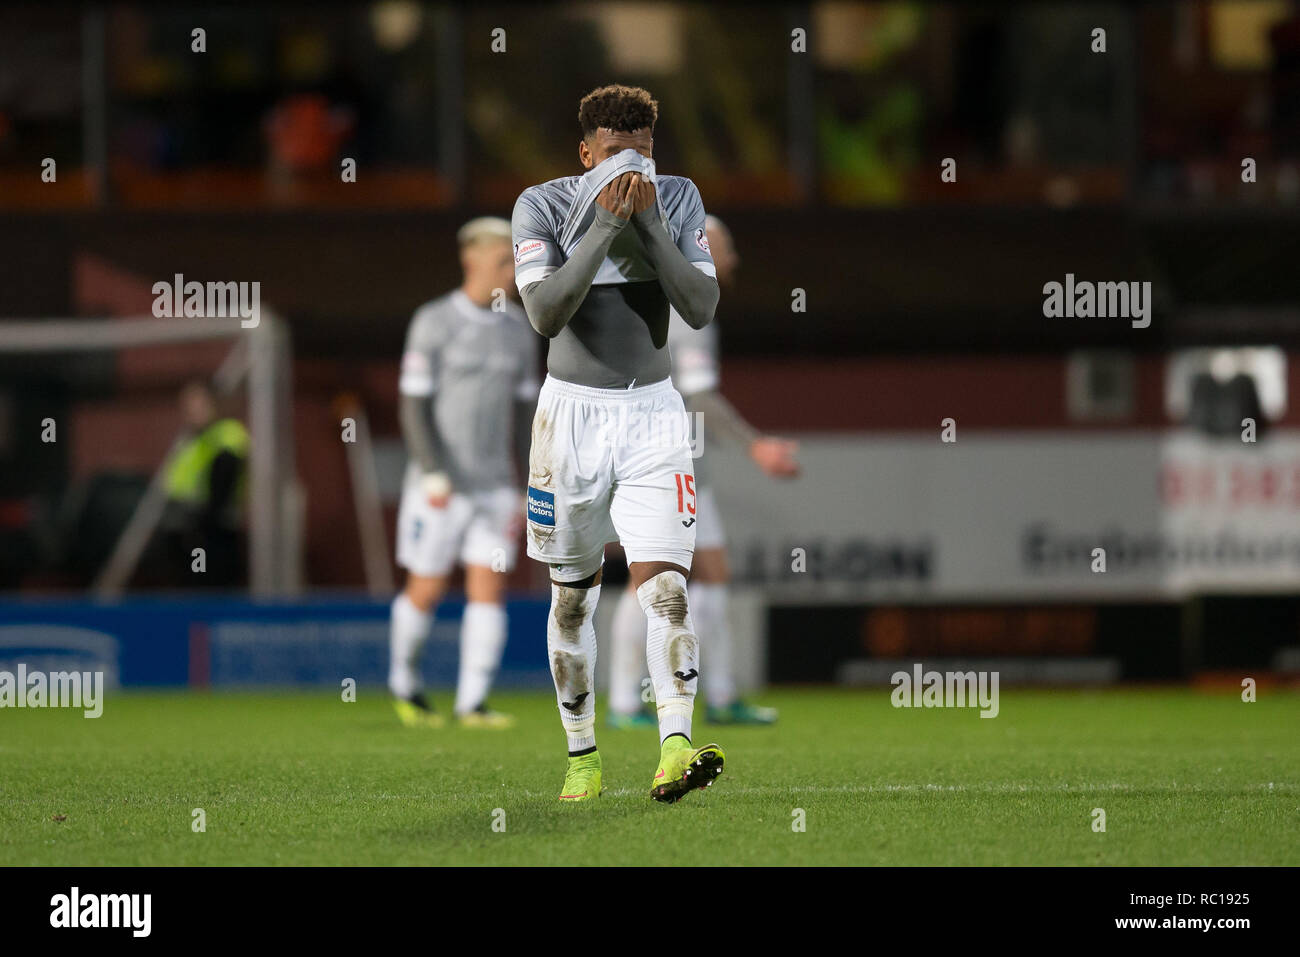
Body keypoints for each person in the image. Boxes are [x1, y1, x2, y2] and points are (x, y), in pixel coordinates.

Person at [512, 84, 723, 802]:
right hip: (568, 422)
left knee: (666, 590)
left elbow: (698, 306)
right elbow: (543, 313)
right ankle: (583, 756)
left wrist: (653, 226)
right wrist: (604, 227)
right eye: (614, 156)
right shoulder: (543, 205)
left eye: (643, 154)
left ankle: (674, 746)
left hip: (654, 418)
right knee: (573, 601)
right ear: (585, 154)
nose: (631, 170)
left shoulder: (680, 198)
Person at [608, 215, 799, 729]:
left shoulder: (666, 295)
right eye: (725, 245)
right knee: (654, 579)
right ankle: (631, 700)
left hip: (673, 458)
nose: (733, 257)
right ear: (699, 245)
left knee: (708, 576)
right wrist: (756, 446)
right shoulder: (687, 305)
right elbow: (697, 396)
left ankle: (713, 694)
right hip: (668, 461)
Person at [388, 217, 539, 730]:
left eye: (516, 261)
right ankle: (405, 686)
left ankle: (471, 702)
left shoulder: (520, 329)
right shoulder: (434, 321)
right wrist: (432, 471)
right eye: (503, 261)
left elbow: (525, 416)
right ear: (470, 260)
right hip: (441, 487)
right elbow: (413, 408)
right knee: (426, 590)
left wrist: (525, 482)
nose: (512, 273)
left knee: (488, 590)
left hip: (495, 488)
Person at [161, 381, 249, 588]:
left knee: (211, 585)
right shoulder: (192, 440)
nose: (190, 411)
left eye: (197, 404)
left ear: (212, 404)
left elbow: (224, 479)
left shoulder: (226, 435)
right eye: (186, 405)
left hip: (214, 533)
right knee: (193, 584)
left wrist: (204, 516)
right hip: (190, 531)